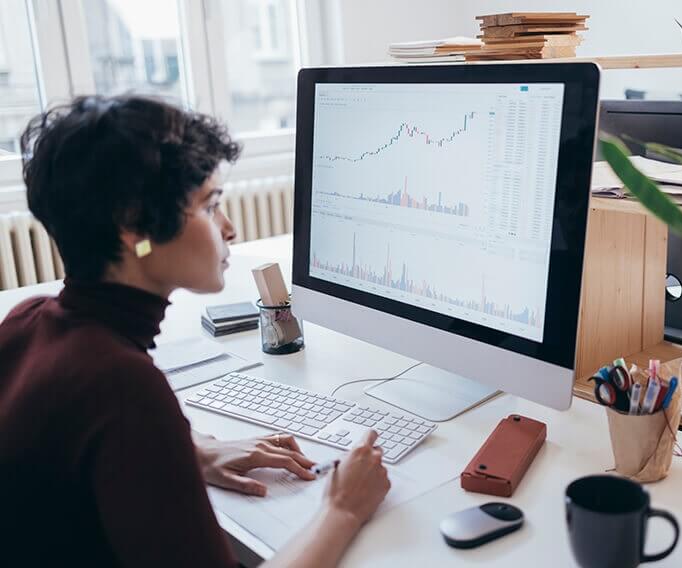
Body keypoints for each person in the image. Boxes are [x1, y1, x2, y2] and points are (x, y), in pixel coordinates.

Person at [0, 95, 390, 567]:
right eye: (210, 206)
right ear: (134, 228)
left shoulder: (26, 321)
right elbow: (117, 414)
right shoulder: (123, 386)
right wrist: (342, 508)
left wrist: (193, 450)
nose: (229, 228)